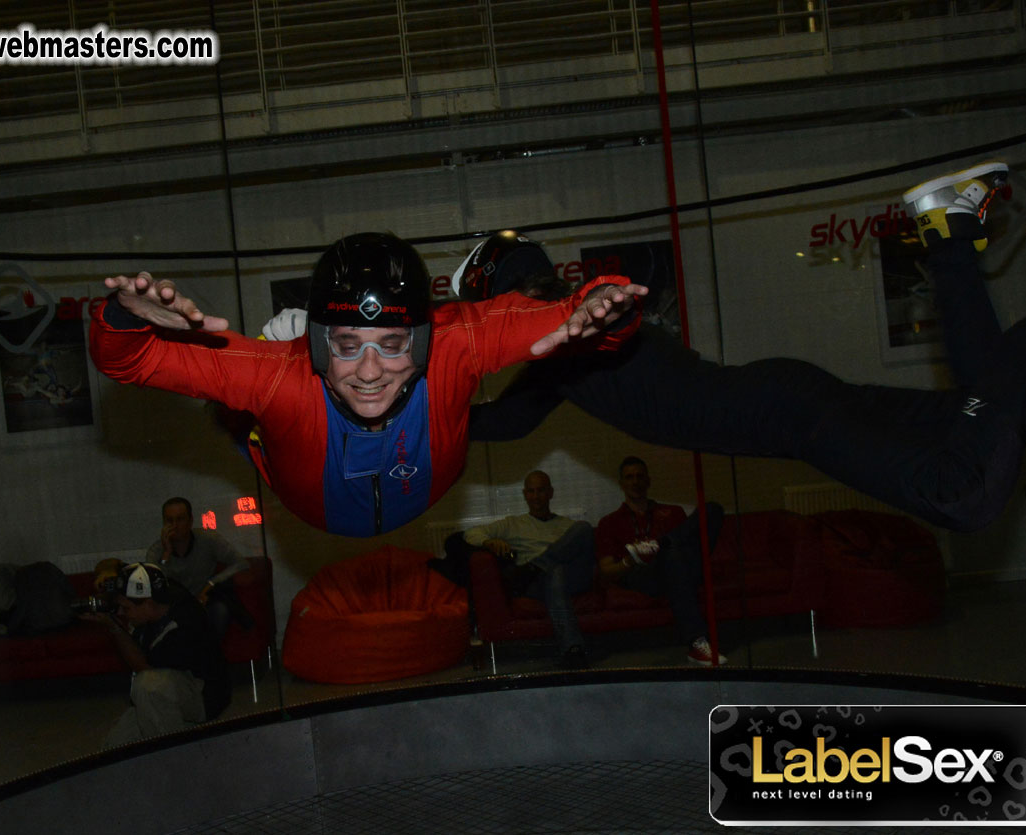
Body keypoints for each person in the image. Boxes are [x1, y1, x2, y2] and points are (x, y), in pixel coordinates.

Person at [462, 162, 1026, 533]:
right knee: (979, 404)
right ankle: (949, 231)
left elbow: (501, 416)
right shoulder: (563, 353)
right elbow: (510, 422)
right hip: (787, 398)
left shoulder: (560, 336)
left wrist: (402, 408)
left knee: (961, 493)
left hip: (792, 414)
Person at [90, 232, 646, 537]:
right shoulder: (279, 375)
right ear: (316, 343)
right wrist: (123, 315)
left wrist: (608, 311)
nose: (372, 372)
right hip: (311, 479)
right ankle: (251, 417)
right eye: (348, 346)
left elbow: (580, 316)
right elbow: (128, 361)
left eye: (395, 345)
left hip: (407, 486)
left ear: (425, 340)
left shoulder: (455, 343)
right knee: (240, 405)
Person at [81, 562, 231, 747]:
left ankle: (175, 757)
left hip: (202, 694)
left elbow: (143, 668)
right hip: (170, 686)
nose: (121, 612)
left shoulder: (182, 626)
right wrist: (108, 574)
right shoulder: (158, 589)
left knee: (147, 686)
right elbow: (109, 563)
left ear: (149, 604)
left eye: (126, 608)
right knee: (114, 749)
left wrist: (115, 629)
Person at [595, 456, 727, 666]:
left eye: (640, 476)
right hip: (644, 575)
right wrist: (630, 561)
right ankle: (696, 643)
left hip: (682, 571)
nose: (635, 482)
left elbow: (691, 546)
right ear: (621, 483)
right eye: (629, 477)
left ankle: (660, 544)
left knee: (712, 509)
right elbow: (606, 571)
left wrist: (660, 545)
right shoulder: (609, 522)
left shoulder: (673, 512)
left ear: (648, 480)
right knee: (672, 554)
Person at [462, 471, 598, 668]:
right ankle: (572, 650)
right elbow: (470, 533)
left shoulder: (568, 526)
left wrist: (538, 565)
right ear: (525, 494)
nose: (536, 496)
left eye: (541, 491)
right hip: (538, 585)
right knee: (555, 571)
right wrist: (489, 541)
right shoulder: (513, 524)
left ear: (550, 493)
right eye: (531, 491)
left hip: (569, 580)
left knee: (583, 528)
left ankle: (536, 566)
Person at [145, 496, 252, 640]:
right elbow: (157, 586)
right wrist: (166, 555)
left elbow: (240, 563)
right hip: (174, 607)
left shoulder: (207, 540)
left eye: (180, 519)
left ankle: (210, 656)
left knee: (220, 611)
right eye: (169, 521)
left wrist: (210, 584)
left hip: (205, 601)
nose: (175, 525)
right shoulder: (156, 551)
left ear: (190, 521)